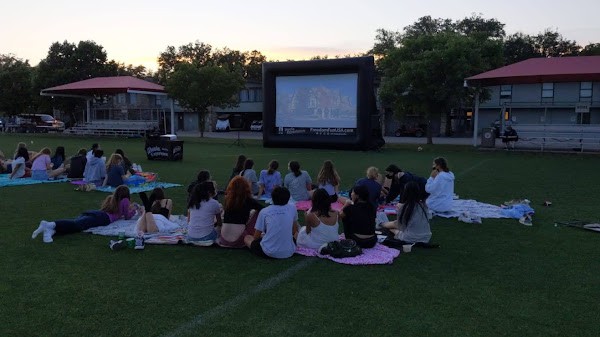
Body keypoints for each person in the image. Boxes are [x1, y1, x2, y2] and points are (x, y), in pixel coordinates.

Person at [32, 185, 138, 243]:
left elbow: (120, 212)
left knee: (76, 224)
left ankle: (52, 231)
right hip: (103, 218)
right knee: (77, 225)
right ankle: (49, 224)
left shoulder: (112, 199)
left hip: (95, 213)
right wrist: (134, 209)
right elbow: (127, 216)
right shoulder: (125, 200)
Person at [244, 187, 298, 259]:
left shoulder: (264, 211)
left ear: (272, 198)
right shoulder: (292, 208)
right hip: (289, 251)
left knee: (247, 238)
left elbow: (256, 237)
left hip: (268, 252)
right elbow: (294, 231)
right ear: (288, 198)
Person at [217, 176, 264, 248]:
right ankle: (258, 233)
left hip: (224, 240)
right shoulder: (248, 200)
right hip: (239, 240)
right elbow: (263, 210)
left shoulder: (228, 199)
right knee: (258, 213)